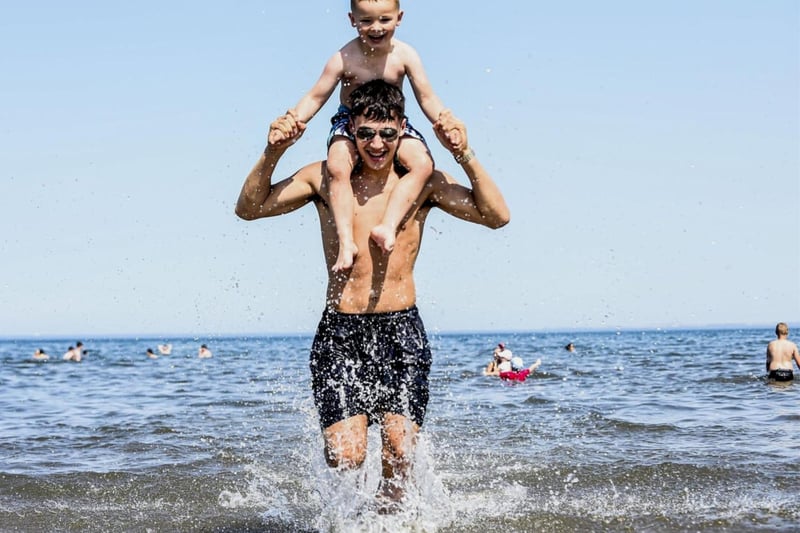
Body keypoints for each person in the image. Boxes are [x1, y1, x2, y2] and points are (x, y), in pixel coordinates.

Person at [236, 79, 508, 508]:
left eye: (387, 133)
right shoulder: (324, 180)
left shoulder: (424, 183)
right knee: (347, 456)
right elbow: (249, 208)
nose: (377, 144)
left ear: (402, 128)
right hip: (340, 333)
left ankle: (391, 518)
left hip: (401, 331)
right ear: (350, 131)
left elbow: (497, 216)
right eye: (365, 134)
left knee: (399, 451)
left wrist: (464, 155)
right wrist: (273, 151)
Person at [270, 0, 466, 272]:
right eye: (366, 21)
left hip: (391, 125)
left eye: (384, 20)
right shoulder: (344, 57)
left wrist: (446, 120)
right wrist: (293, 120)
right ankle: (347, 241)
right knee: (337, 166)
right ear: (352, 19)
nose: (376, 28)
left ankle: (388, 225)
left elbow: (427, 97)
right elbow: (316, 96)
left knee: (423, 164)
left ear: (399, 18)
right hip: (350, 122)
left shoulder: (406, 55)